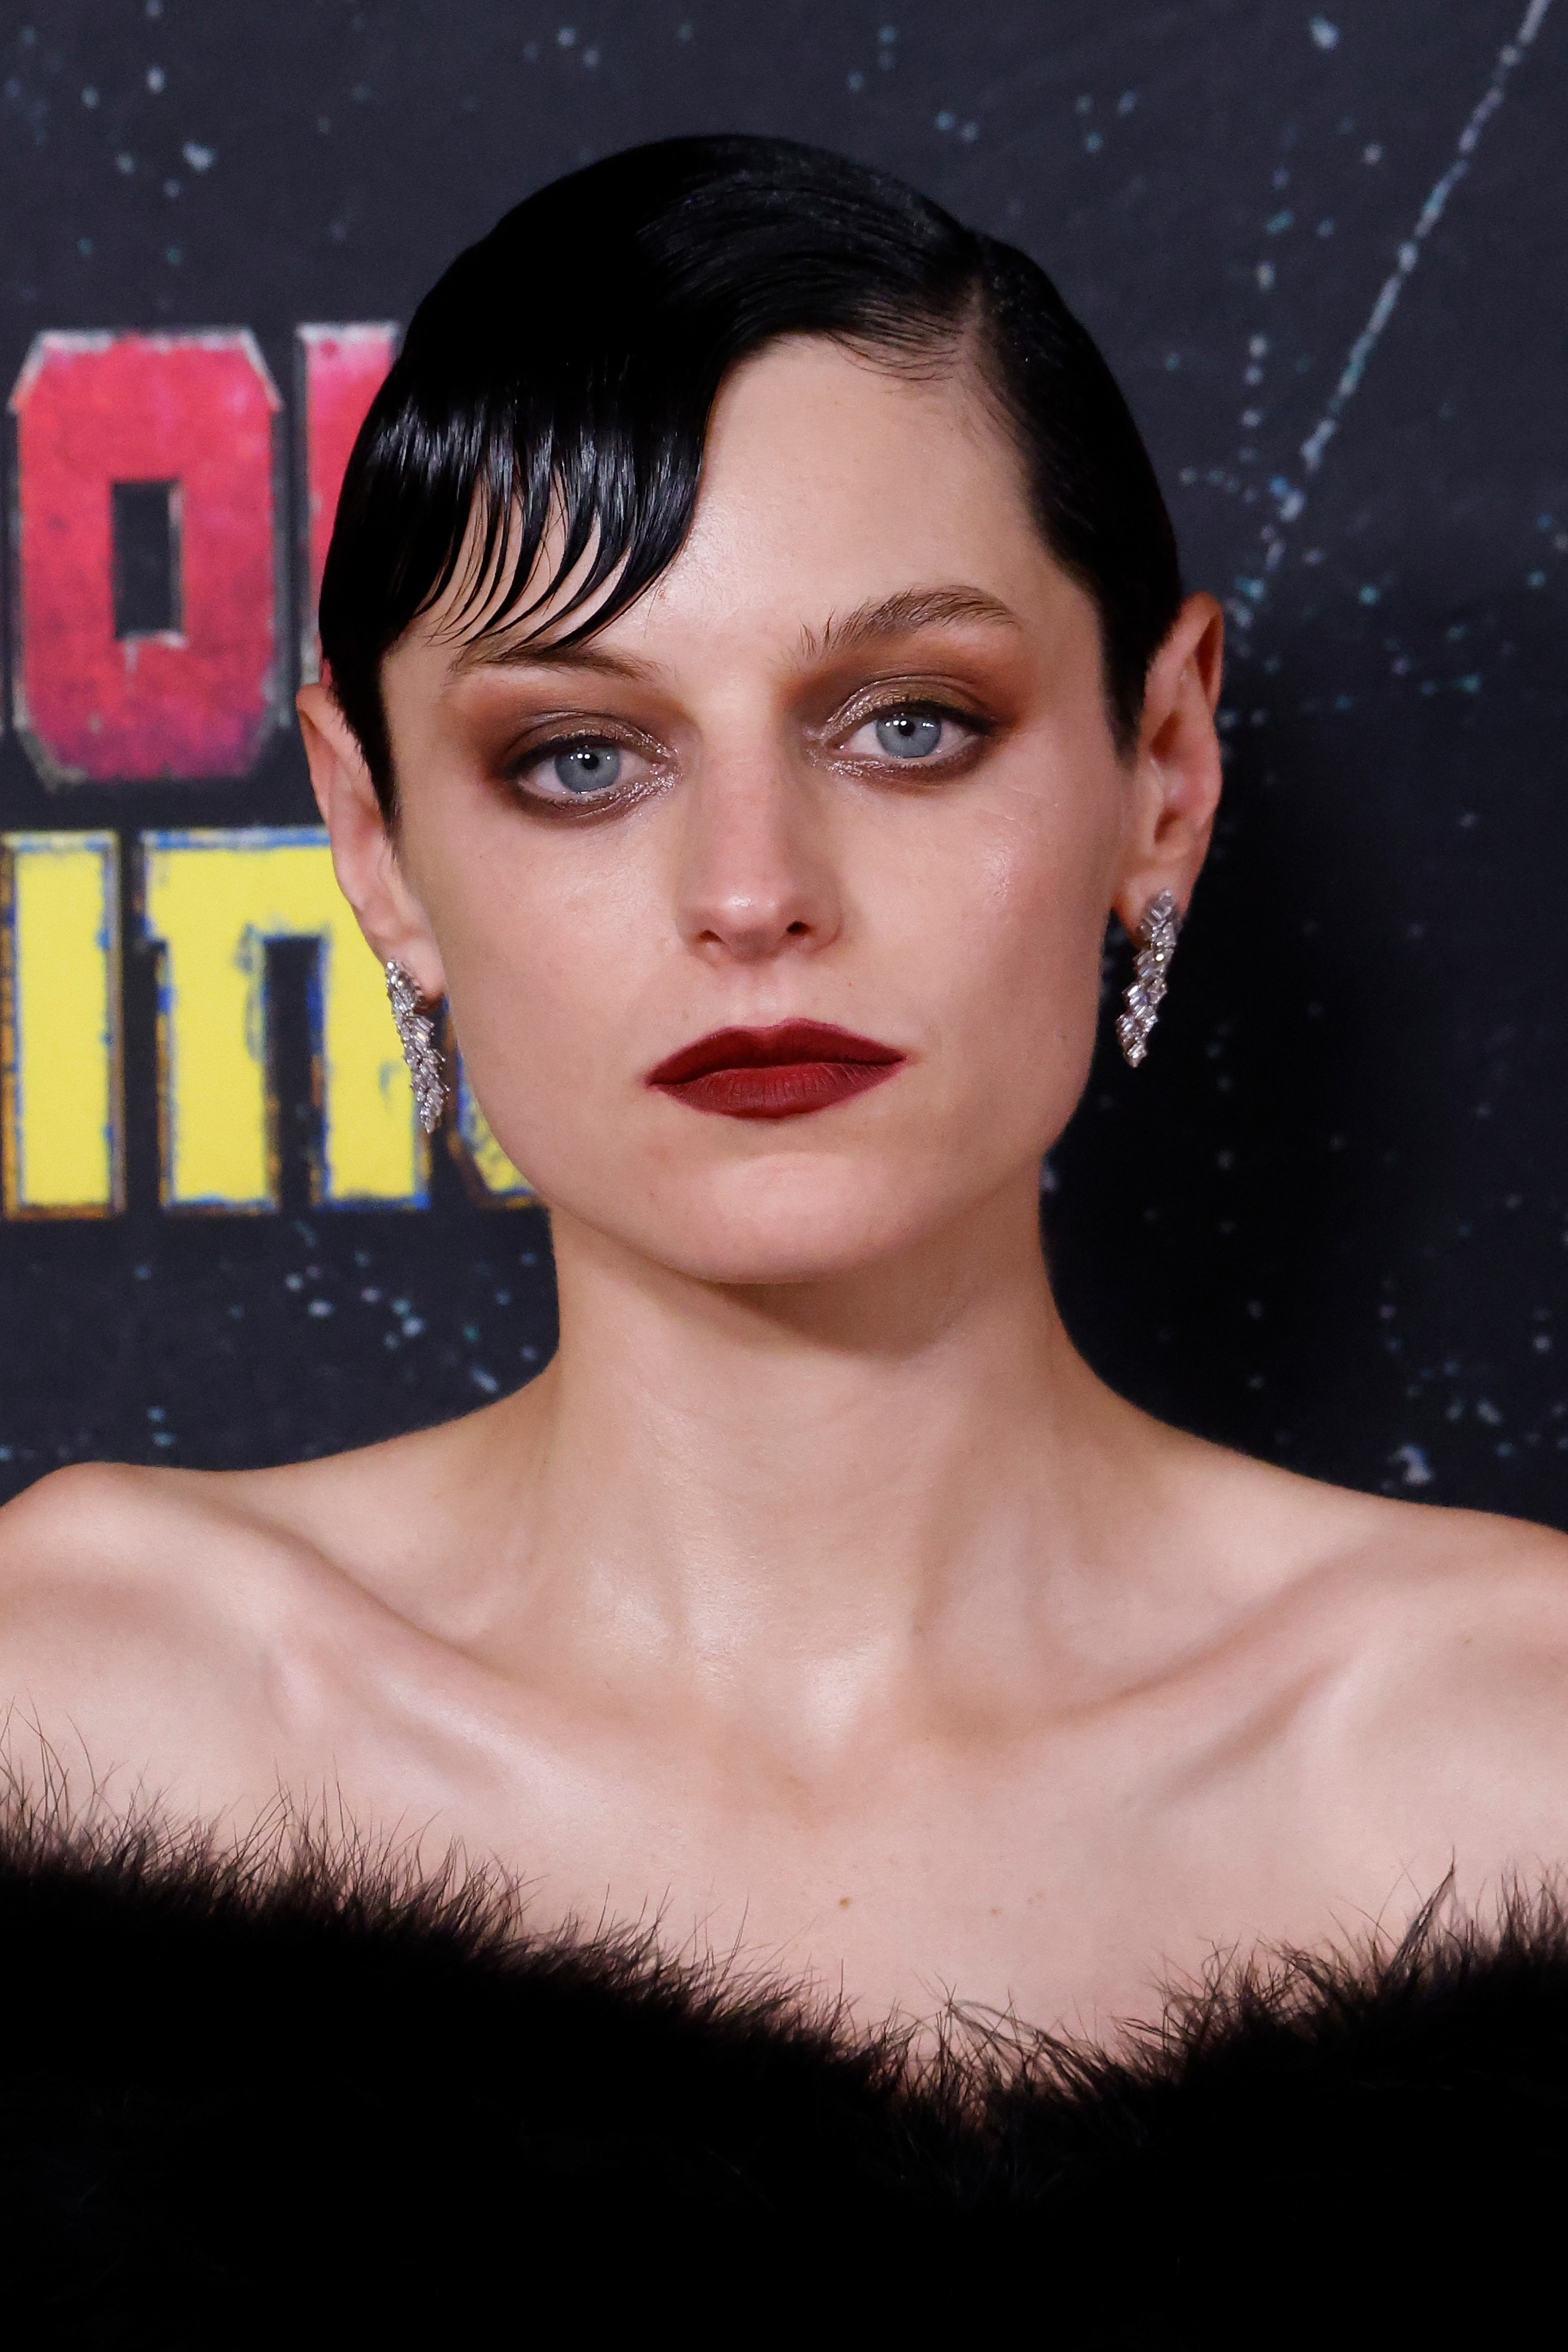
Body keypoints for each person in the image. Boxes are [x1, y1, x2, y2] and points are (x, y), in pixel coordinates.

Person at [2, 132, 1566, 2056]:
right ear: (374, 839)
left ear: (1161, 769)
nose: (752, 893)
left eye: (913, 726)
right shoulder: (75, 1721)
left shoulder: (1522, 1756)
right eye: (581, 757)